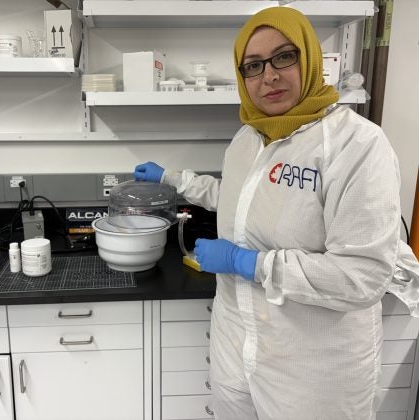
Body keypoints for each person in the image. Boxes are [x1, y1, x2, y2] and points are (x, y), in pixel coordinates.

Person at [134, 7, 402, 420]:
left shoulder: (356, 145)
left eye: (284, 57)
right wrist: (172, 178)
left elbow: (361, 276)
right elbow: (238, 197)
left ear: (309, 59)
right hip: (236, 346)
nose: (269, 76)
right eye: (253, 65)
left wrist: (247, 263)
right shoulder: (247, 138)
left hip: (312, 371)